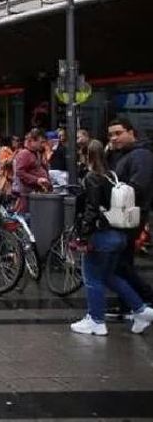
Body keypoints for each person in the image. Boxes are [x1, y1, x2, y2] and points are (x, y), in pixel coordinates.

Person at [71, 139, 153, 336]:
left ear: (86, 156)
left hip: (101, 236)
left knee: (92, 278)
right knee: (109, 276)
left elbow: (92, 209)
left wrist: (83, 236)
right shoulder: (111, 176)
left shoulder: (91, 177)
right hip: (119, 234)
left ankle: (96, 321)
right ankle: (141, 310)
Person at [107, 118, 153, 315]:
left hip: (131, 216)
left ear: (131, 132)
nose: (114, 138)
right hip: (124, 215)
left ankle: (145, 298)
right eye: (111, 135)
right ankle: (130, 304)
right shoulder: (124, 154)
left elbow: (138, 186)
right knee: (121, 262)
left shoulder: (141, 155)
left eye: (118, 133)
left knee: (120, 263)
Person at [11, 129, 51, 213]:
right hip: (27, 195)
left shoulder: (36, 153)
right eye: (41, 142)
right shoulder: (25, 154)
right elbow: (20, 172)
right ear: (32, 141)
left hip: (35, 194)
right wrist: (37, 180)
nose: (43, 145)